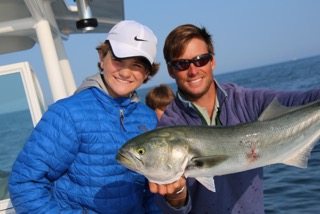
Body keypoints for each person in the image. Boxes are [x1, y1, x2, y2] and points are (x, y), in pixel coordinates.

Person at [148, 24, 320, 213]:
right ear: (171, 70)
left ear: (212, 61)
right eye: (182, 64)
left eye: (200, 60)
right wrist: (176, 197)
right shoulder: (168, 126)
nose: (193, 70)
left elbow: (302, 101)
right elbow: (176, 210)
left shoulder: (245, 100)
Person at [9, 20, 162, 213]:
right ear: (101, 57)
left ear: (147, 72)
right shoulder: (67, 113)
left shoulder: (148, 119)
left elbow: (151, 193)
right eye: (118, 60)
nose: (125, 72)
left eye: (137, 65)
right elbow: (24, 183)